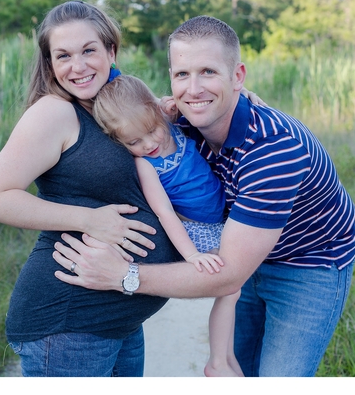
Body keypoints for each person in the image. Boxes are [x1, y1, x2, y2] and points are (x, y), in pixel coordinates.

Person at [52, 15, 355, 377]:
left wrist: (124, 275)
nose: (193, 89)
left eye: (209, 72)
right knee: (237, 367)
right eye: (182, 75)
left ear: (238, 76)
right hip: (242, 248)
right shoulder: (172, 122)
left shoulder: (274, 150)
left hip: (308, 263)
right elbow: (118, 94)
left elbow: (227, 275)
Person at [0, 0, 183, 377]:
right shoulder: (55, 111)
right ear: (50, 63)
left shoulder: (115, 104)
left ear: (111, 51)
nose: (78, 66)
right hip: (69, 324)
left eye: (89, 50)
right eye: (63, 55)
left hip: (117, 320)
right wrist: (89, 220)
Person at [93, 74, 243, 377]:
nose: (149, 144)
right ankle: (218, 361)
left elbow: (197, 102)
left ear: (159, 111)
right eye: (133, 142)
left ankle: (226, 357)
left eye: (151, 132)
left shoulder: (169, 122)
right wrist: (191, 256)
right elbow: (165, 214)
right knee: (230, 288)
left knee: (235, 289)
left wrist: (173, 105)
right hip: (197, 228)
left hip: (221, 216)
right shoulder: (146, 165)